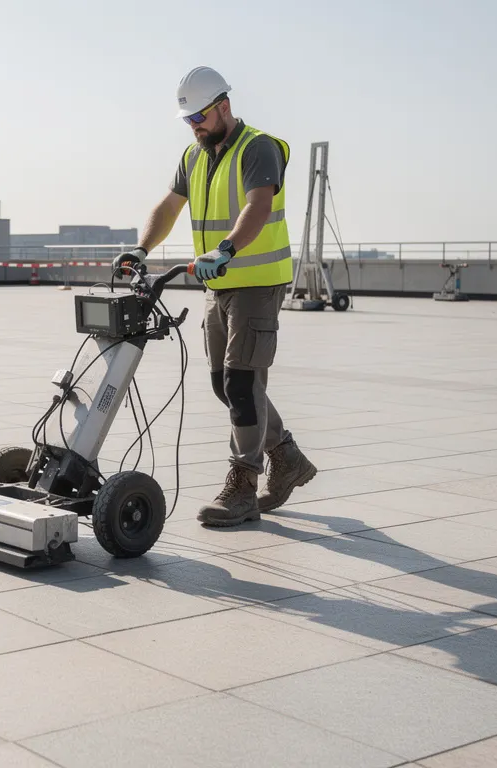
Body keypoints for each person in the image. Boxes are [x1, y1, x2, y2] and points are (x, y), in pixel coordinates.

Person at [118, 65, 317, 527]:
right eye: (188, 120)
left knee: (242, 385)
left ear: (223, 106)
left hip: (257, 282)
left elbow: (258, 205)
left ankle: (244, 486)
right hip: (217, 284)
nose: (194, 126)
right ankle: (286, 455)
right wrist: (141, 248)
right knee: (222, 383)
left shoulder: (258, 148)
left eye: (200, 118)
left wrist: (226, 247)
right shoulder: (194, 157)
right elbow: (169, 207)